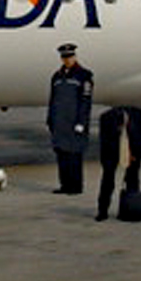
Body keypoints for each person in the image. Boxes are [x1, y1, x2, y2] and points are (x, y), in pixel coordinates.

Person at [95, 106, 141, 221]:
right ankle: (102, 210)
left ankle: (131, 210)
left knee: (132, 180)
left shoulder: (138, 114)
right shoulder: (107, 117)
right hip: (113, 151)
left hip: (133, 150)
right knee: (108, 181)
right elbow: (104, 140)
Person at [46, 43, 93, 194]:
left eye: (69, 56)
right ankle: (65, 185)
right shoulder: (57, 76)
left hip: (74, 122)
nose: (67, 60)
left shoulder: (84, 76)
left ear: (75, 57)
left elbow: (85, 102)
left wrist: (81, 122)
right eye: (64, 57)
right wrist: (50, 119)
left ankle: (76, 186)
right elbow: (53, 99)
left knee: (74, 156)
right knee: (62, 155)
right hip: (60, 123)